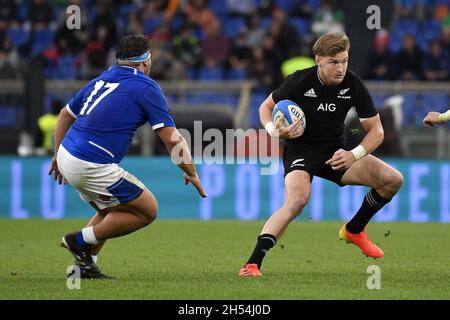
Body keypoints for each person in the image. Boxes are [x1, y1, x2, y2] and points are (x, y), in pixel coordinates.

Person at [239, 32, 404, 277]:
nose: (340, 68)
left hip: (336, 154)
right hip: (301, 151)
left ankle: (354, 230)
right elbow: (266, 107)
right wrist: (274, 130)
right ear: (318, 60)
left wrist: (354, 154)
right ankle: (252, 264)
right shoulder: (299, 81)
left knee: (393, 180)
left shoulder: (353, 84)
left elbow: (376, 132)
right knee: (297, 201)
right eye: (334, 62)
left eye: (344, 61)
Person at [49, 34, 207, 279]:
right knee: (148, 210)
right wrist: (191, 172)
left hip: (69, 154)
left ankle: (85, 267)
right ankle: (78, 240)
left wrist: (57, 154)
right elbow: (173, 139)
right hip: (90, 162)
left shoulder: (101, 80)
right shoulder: (146, 87)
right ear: (145, 61)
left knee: (109, 211)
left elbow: (64, 115)